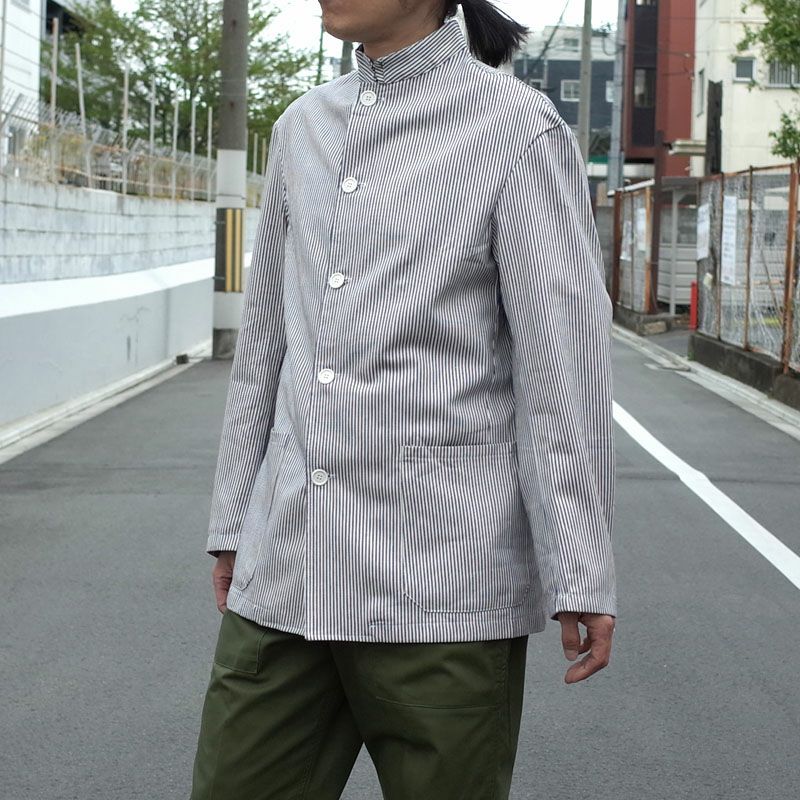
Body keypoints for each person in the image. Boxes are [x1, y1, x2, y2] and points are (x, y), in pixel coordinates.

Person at [190, 1, 617, 798]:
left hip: (442, 584)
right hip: (288, 568)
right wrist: (232, 523)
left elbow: (562, 370)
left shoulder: (517, 129)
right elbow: (264, 348)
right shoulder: (302, 127)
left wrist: (580, 570)